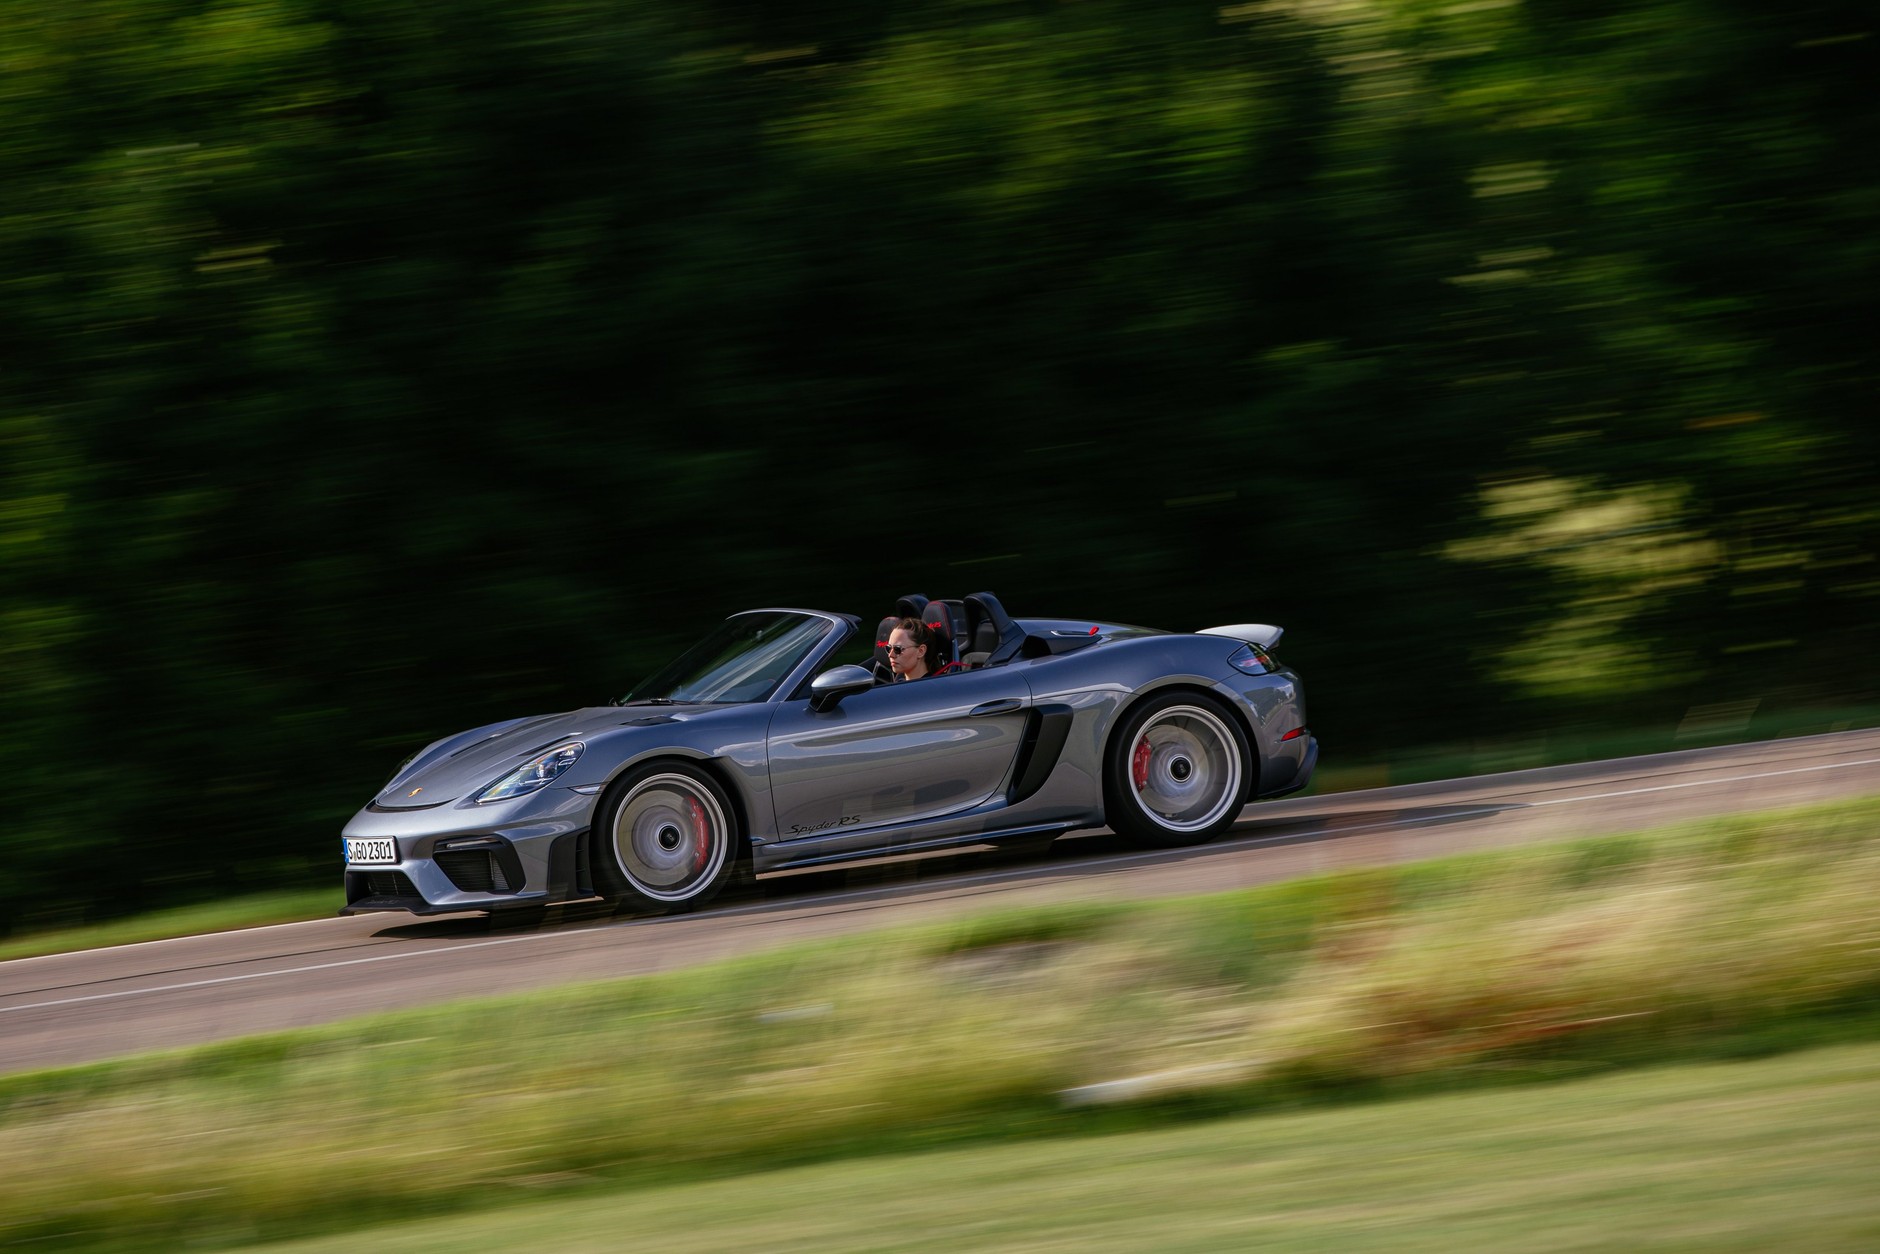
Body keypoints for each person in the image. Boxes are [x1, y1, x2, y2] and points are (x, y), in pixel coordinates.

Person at [884, 616, 958, 681]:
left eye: (897, 649)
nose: (890, 655)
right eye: (888, 648)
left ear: (921, 651)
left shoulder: (933, 689)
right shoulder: (898, 682)